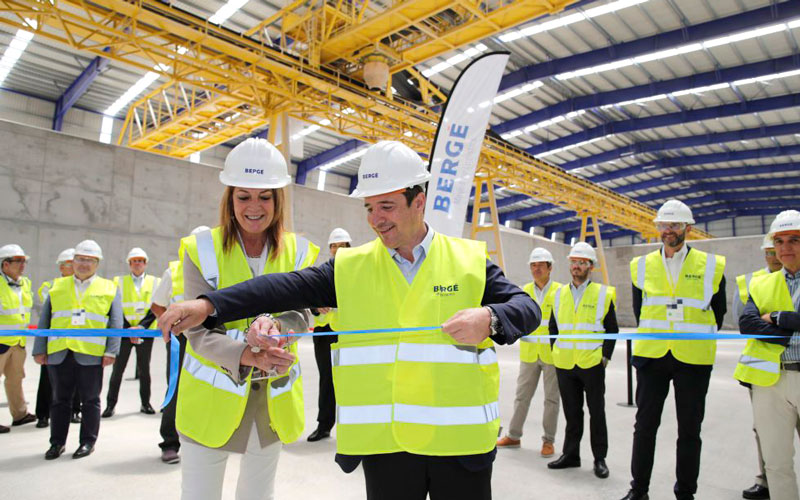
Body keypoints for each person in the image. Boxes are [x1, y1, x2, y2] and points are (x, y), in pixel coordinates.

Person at [160, 139, 541, 500]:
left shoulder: (468, 261)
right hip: (387, 449)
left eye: (387, 206)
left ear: (418, 201)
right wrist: (208, 305)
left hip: (460, 447)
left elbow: (528, 308)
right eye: (369, 208)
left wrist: (490, 318)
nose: (376, 219)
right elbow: (279, 288)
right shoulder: (350, 267)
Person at [169, 138, 320, 500]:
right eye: (244, 196)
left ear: (278, 200)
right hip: (211, 403)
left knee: (258, 494)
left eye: (265, 197)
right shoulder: (200, 250)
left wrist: (278, 328)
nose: (254, 207)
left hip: (271, 403)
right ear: (229, 198)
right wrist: (246, 354)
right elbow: (197, 330)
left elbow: (300, 313)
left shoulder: (299, 251)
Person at [620, 199, 727, 500]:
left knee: (690, 430)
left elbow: (718, 313)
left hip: (692, 358)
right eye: (664, 225)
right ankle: (638, 490)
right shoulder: (640, 265)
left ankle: (685, 494)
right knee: (644, 427)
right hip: (652, 356)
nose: (668, 230)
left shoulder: (711, 266)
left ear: (687, 229)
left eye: (675, 225)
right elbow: (641, 310)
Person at [33, 239, 122, 460]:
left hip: (90, 354)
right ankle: (57, 443)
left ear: (97, 263)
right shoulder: (57, 286)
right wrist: (39, 349)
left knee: (90, 400)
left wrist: (111, 351)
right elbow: (44, 320)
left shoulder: (109, 288)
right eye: (80, 259)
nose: (84, 264)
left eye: (89, 260)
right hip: (59, 352)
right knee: (59, 400)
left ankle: (87, 442)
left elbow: (116, 323)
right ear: (72, 261)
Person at [738, 209, 800, 500]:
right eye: (780, 241)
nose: (785, 248)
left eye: (794, 240)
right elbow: (747, 323)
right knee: (776, 463)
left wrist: (774, 316)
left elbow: (765, 320)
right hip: (770, 381)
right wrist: (790, 323)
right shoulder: (760, 283)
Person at [546, 242, 617, 479]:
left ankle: (599, 458)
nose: (576, 266)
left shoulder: (603, 294)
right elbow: (553, 326)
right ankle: (571, 455)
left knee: (597, 412)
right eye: (573, 262)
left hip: (592, 363)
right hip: (565, 363)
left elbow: (612, 329)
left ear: (591, 266)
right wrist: (556, 352)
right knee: (572, 412)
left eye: (581, 262)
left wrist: (604, 357)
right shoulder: (558, 293)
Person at [151, 225, 210, 465]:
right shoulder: (173, 271)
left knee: (209, 387)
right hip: (181, 340)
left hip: (209, 338)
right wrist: (171, 323)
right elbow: (157, 304)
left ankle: (205, 439)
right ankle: (170, 443)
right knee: (176, 389)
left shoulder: (218, 270)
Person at [497, 247, 562, 457]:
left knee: (551, 399)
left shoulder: (561, 292)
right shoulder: (523, 291)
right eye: (533, 265)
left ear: (549, 268)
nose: (536, 269)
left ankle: (548, 440)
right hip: (529, 353)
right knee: (521, 396)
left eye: (540, 265)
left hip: (552, 355)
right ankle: (514, 435)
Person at [307, 227, 352, 443]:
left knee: (348, 380)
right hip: (324, 332)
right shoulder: (322, 272)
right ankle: (324, 425)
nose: (337, 250)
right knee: (327, 379)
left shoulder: (357, 272)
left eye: (341, 246)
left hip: (346, 333)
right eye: (334, 246)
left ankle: (351, 428)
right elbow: (309, 300)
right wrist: (317, 306)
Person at [103, 247, 159, 417]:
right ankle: (110, 405)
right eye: (134, 261)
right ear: (129, 264)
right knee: (118, 369)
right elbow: (115, 307)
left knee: (144, 370)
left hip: (145, 332)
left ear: (145, 263)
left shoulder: (156, 282)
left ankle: (145, 403)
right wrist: (128, 329)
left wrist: (141, 328)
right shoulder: (118, 282)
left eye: (140, 261)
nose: (137, 264)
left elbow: (157, 306)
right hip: (124, 332)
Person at [35, 248, 83, 428]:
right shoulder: (51, 286)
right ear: (62, 268)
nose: (75, 267)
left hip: (78, 340)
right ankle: (43, 415)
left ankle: (74, 411)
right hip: (54, 341)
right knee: (48, 380)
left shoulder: (84, 286)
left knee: (77, 378)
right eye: (71, 265)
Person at [0, 244, 35, 433]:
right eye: (18, 261)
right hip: (1, 341)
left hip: (19, 342)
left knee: (16, 378)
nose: (23, 265)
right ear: (5, 265)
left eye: (24, 261)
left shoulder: (25, 283)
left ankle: (20, 415)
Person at [732, 235, 783, 321]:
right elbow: (740, 318)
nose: (776, 258)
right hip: (758, 332)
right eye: (771, 253)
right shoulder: (746, 281)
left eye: (779, 252)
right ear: (765, 256)